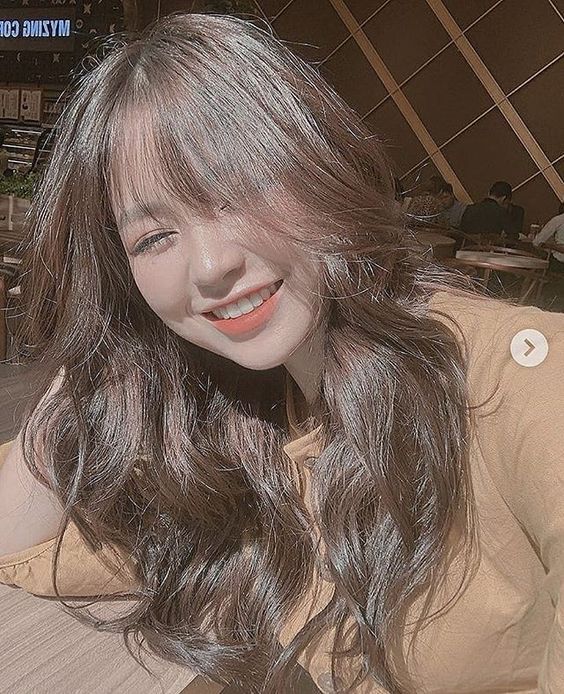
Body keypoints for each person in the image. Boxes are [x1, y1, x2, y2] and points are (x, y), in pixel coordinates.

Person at [0, 14, 563, 694]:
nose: (211, 265)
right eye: (154, 238)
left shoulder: (519, 380)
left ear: (318, 166)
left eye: (236, 192)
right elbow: (25, 542)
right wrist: (102, 349)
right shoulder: (247, 420)